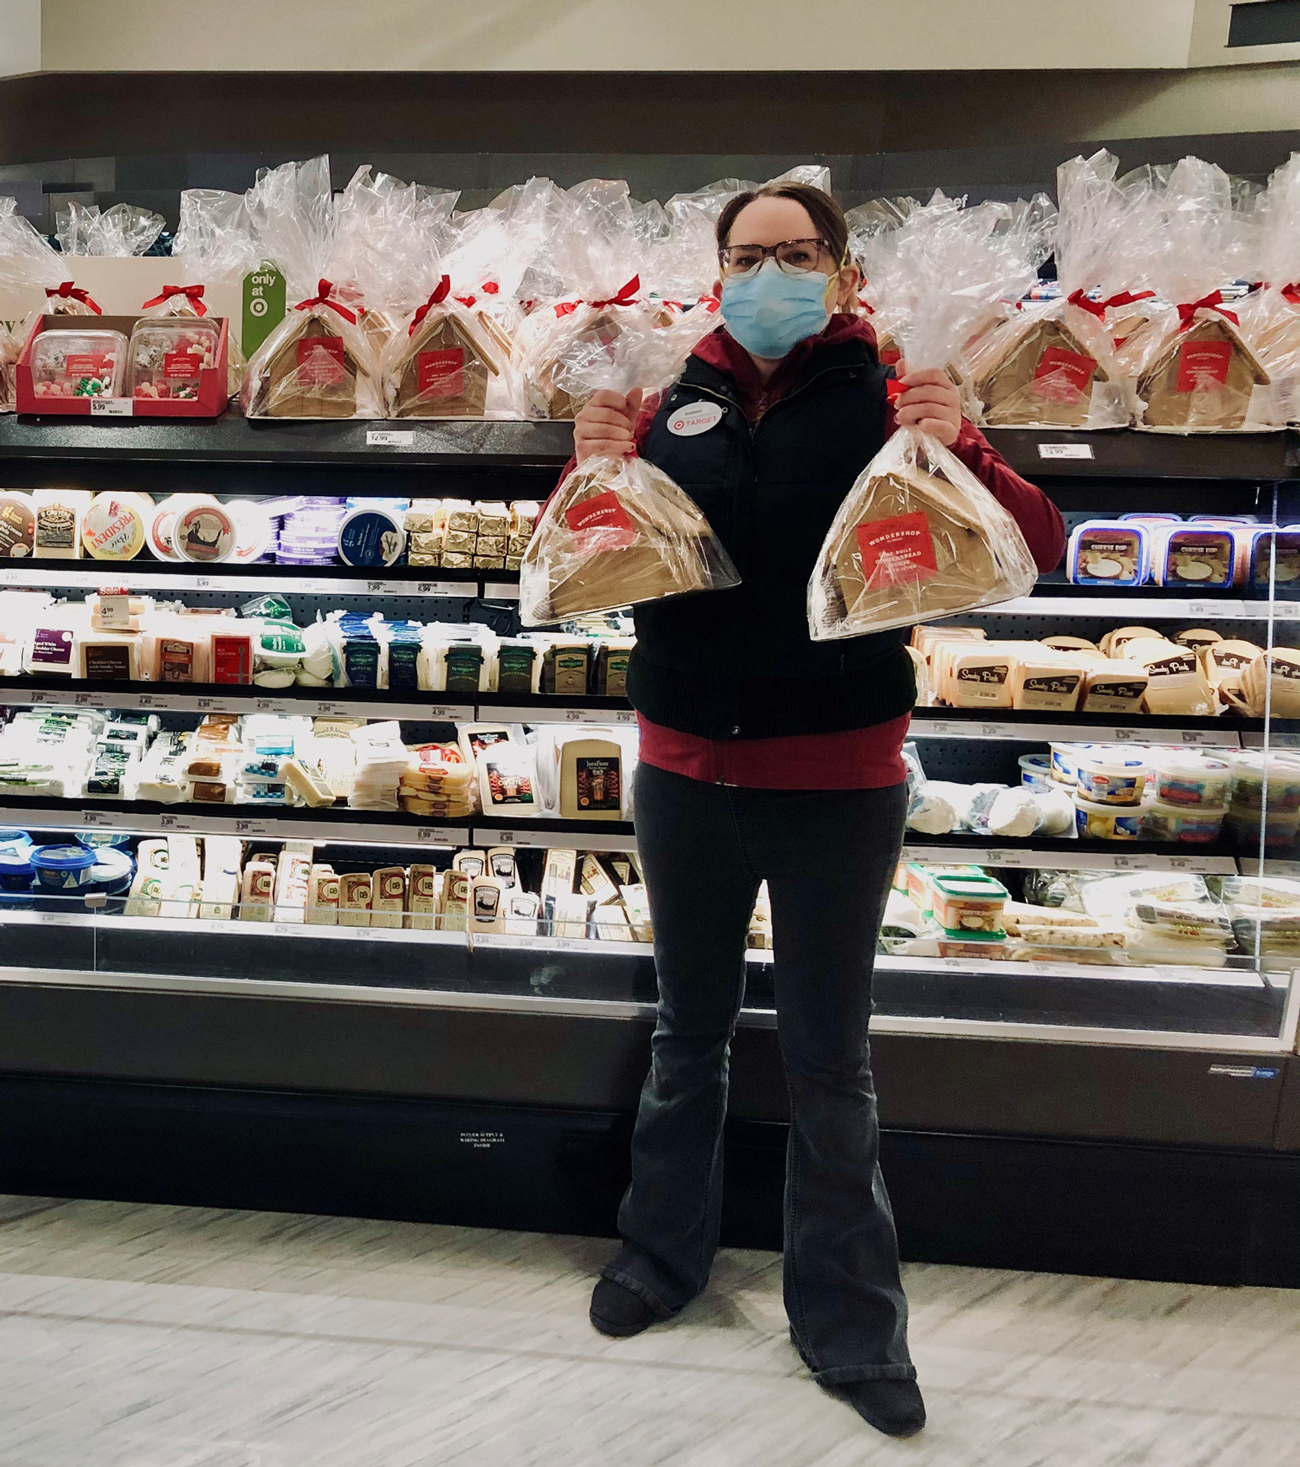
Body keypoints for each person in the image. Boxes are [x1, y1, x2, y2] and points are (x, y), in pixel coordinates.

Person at [569, 182, 1065, 1438]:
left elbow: (1035, 549)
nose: (769, 274)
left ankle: (850, 1324)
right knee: (687, 1035)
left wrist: (967, 450)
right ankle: (658, 1259)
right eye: (747, 256)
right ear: (714, 270)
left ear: (843, 270)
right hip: (682, 768)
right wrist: (588, 476)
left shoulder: (899, 392)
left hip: (840, 777)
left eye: (795, 254)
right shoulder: (663, 396)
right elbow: (578, 564)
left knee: (830, 1063)